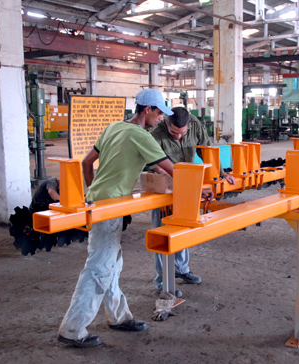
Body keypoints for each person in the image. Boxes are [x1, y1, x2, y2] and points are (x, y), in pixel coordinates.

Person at [57, 89, 177, 348]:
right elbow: (170, 169)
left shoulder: (114, 127)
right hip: (110, 206)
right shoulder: (140, 134)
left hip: (101, 200)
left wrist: (93, 193)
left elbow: (87, 163)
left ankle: (119, 316)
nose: (161, 119)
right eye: (159, 113)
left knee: (111, 261)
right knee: (99, 266)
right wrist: (201, 187)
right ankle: (72, 329)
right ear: (147, 110)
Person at [150, 106, 235, 289]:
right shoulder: (155, 133)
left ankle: (181, 269)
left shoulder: (195, 125)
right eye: (173, 133)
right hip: (164, 183)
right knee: (162, 232)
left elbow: (207, 150)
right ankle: (162, 279)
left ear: (189, 125)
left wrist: (221, 173)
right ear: (166, 122)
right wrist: (176, 179)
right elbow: (153, 163)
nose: (178, 137)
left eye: (183, 133)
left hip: (187, 182)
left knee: (184, 226)